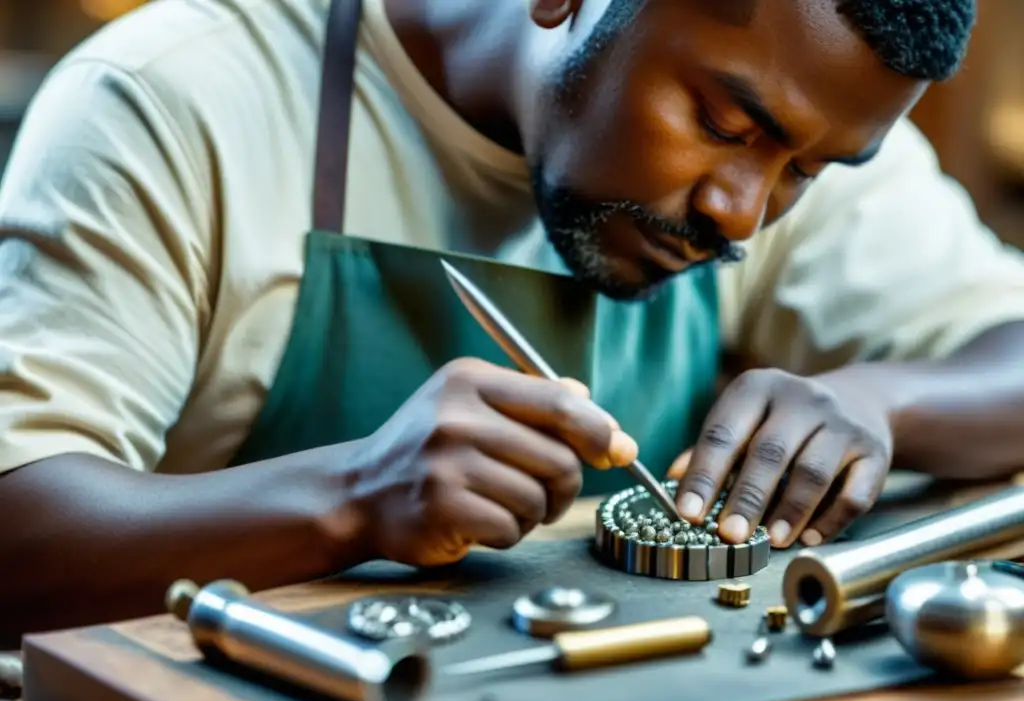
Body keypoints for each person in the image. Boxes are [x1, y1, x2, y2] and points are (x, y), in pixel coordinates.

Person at [1, 0, 1021, 640]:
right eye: (722, 124)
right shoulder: (173, 99)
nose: (741, 214)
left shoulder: (793, 108)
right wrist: (350, 496)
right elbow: (20, 528)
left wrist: (882, 398)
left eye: (807, 170)